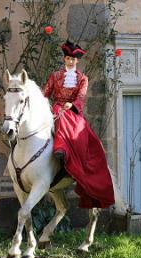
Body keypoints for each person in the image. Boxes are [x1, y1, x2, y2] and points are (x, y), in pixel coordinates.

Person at [43, 40, 115, 208]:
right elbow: (45, 93)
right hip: (57, 107)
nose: (71, 62)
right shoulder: (55, 76)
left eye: (73, 60)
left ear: (77, 61)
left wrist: (72, 104)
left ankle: (66, 152)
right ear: (65, 59)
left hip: (73, 111)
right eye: (68, 59)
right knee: (57, 118)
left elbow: (81, 97)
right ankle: (57, 149)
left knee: (84, 135)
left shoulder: (83, 79)